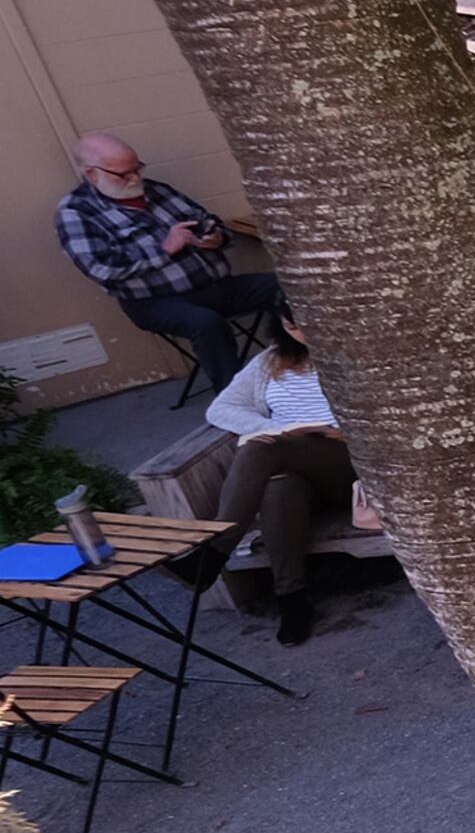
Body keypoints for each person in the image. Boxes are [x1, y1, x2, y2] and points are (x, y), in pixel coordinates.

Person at [54, 133, 281, 392]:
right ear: (92, 174)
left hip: (217, 285)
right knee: (207, 324)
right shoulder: (76, 212)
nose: (135, 178)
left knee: (288, 288)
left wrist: (216, 237)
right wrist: (165, 250)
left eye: (137, 168)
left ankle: (296, 371)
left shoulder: (157, 190)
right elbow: (102, 269)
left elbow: (206, 220)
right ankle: (237, 399)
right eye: (124, 174)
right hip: (154, 301)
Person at [203, 312, 377, 647]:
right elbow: (220, 409)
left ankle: (215, 550)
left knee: (260, 449)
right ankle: (292, 599)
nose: (301, 334)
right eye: (291, 327)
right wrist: (277, 429)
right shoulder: (270, 360)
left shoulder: (354, 353)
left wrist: (340, 431)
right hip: (295, 463)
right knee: (278, 485)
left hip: (347, 462)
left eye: (305, 323)